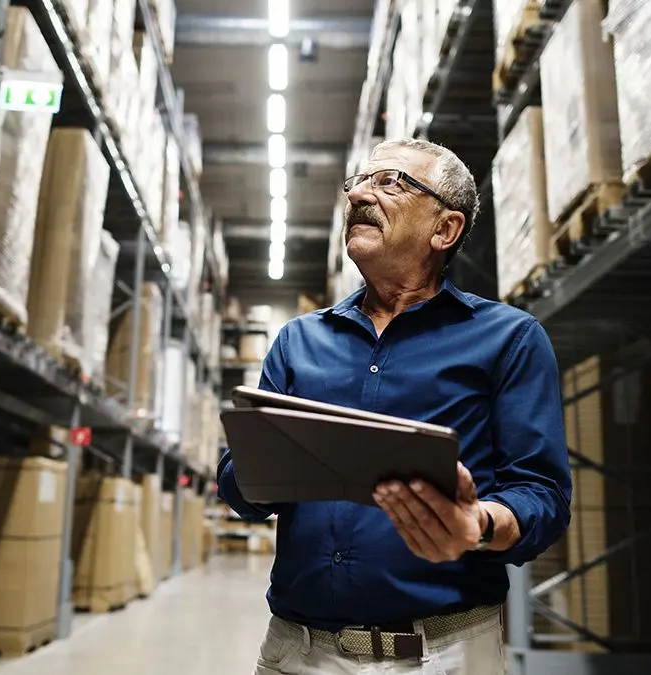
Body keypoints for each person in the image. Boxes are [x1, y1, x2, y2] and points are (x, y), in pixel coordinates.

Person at [217, 138, 572, 674]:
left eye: (391, 183)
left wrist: (477, 523)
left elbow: (542, 495)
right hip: (297, 654)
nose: (361, 193)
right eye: (357, 182)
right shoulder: (299, 341)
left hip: (442, 657)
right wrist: (256, 464)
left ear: (444, 230)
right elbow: (242, 493)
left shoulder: (509, 339)